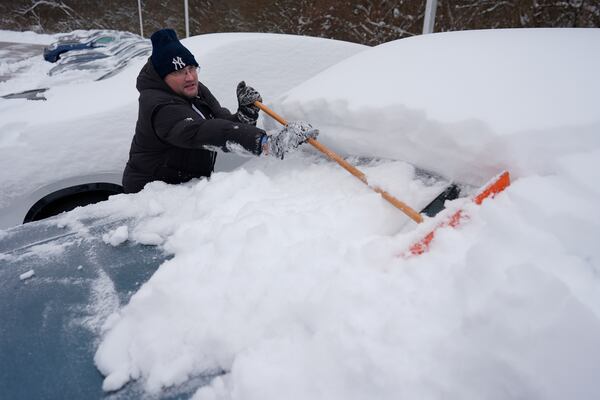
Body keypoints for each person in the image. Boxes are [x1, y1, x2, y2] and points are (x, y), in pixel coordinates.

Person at [122, 28, 318, 194]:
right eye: (179, 72)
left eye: (191, 68)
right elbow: (200, 131)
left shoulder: (196, 91)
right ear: (163, 77)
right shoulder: (157, 104)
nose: (190, 77)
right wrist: (265, 143)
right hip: (150, 194)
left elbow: (223, 122)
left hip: (183, 188)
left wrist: (245, 114)